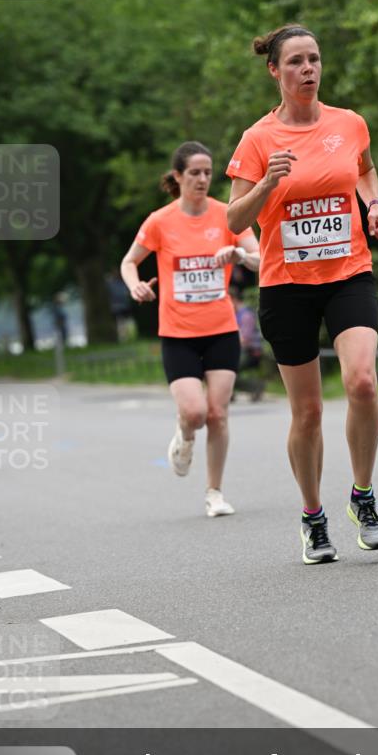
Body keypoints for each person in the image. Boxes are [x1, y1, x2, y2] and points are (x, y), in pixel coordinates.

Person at [226, 24, 378, 564]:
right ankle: (312, 516)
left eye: (315, 59)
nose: (308, 69)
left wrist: (373, 205)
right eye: (296, 61)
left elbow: (364, 170)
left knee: (363, 382)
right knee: (308, 414)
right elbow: (234, 219)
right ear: (274, 71)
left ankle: (362, 497)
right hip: (287, 286)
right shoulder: (258, 139)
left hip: (348, 273)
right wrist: (266, 185)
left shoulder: (349, 124)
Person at [121, 141, 260, 517]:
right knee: (196, 413)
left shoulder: (227, 216)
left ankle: (214, 492)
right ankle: (184, 436)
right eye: (194, 172)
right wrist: (134, 284)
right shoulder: (160, 221)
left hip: (220, 330)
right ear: (178, 176)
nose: (202, 179)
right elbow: (129, 262)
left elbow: (261, 258)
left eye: (207, 173)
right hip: (178, 333)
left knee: (218, 413)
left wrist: (240, 255)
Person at [230, 287, 265, 401]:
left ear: (233, 299)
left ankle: (255, 386)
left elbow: (245, 339)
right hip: (239, 350)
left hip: (251, 351)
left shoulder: (245, 315)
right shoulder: (235, 314)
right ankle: (229, 392)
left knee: (228, 369)